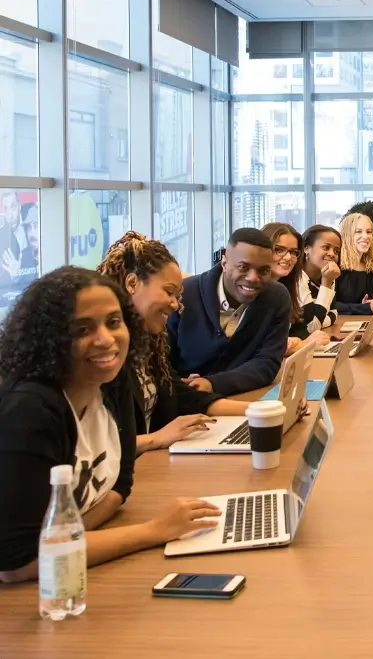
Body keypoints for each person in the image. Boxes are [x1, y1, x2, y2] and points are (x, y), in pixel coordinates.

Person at [0, 267, 221, 583]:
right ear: (49, 338)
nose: (106, 340)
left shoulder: (112, 380)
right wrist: (153, 531)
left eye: (114, 322)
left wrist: (68, 540)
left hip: (66, 571)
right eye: (82, 329)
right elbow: (17, 563)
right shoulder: (29, 410)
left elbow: (120, 484)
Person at [98, 232, 253, 454]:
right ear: (132, 283)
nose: (174, 305)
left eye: (177, 296)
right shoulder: (104, 358)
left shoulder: (148, 346)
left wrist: (261, 409)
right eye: (169, 292)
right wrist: (157, 438)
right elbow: (96, 447)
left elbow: (187, 397)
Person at [167, 228, 292, 397]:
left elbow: (267, 362)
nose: (253, 278)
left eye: (263, 271)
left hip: (244, 397)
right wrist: (183, 388)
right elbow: (160, 362)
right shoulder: (182, 295)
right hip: (184, 400)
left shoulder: (277, 297)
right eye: (243, 267)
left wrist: (213, 383)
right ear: (224, 263)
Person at [261, 223, 332, 356]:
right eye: (279, 249)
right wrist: (304, 345)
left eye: (294, 252)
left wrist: (296, 342)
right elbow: (256, 346)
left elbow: (300, 331)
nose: (289, 257)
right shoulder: (251, 290)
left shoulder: (286, 286)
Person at [335, 212, 373, 316]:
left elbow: (364, 303)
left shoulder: (369, 266)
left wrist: (370, 303)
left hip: (359, 320)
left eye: (369, 232)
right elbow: (331, 305)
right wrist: (363, 308)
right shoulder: (336, 265)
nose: (365, 236)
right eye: (358, 231)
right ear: (347, 235)